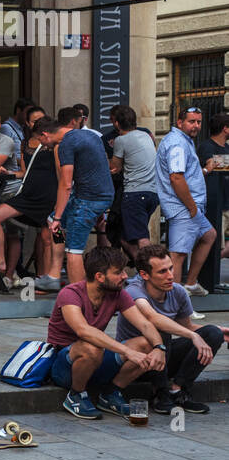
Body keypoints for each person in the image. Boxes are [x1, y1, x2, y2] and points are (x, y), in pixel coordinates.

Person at [45, 246, 167, 420]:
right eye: (118, 272)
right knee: (91, 346)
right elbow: (83, 330)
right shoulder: (70, 294)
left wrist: (159, 347)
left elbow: (145, 325)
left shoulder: (118, 294)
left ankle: (110, 393)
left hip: (98, 359)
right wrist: (126, 351)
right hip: (65, 366)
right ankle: (76, 395)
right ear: (99, 277)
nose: (125, 276)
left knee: (146, 344)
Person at [119, 245, 220, 415]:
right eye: (162, 272)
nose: (170, 276)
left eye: (171, 268)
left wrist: (219, 331)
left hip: (163, 358)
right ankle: (161, 394)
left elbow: (187, 327)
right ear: (144, 275)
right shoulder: (133, 291)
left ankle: (178, 390)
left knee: (213, 333)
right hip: (136, 363)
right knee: (161, 331)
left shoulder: (178, 291)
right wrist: (192, 335)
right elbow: (153, 318)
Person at [45, 106, 115, 287]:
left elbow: (66, 184)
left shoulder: (65, 144)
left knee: (74, 251)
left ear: (45, 135)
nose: (44, 146)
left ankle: (82, 298)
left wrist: (59, 216)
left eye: (41, 141)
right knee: (51, 220)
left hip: (88, 200)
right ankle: (54, 273)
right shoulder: (92, 136)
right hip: (102, 195)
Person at [0, 116, 60, 285]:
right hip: (28, 193)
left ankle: (43, 279)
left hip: (48, 194)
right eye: (31, 119)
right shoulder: (24, 144)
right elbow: (24, 172)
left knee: (46, 238)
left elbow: (61, 173)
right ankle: (0, 258)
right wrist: (8, 174)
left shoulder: (55, 145)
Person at [157, 106, 216, 295]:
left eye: (199, 122)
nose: (196, 126)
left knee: (209, 235)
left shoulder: (184, 140)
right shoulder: (177, 143)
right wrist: (191, 207)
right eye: (192, 121)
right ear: (180, 122)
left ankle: (190, 284)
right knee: (178, 254)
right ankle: (174, 301)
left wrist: (205, 170)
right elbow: (176, 178)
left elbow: (188, 174)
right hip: (183, 206)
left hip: (189, 206)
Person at [108, 104, 159, 254]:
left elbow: (114, 168)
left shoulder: (121, 140)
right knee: (124, 236)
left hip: (135, 194)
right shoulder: (146, 136)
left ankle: (152, 271)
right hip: (152, 194)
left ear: (116, 123)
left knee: (141, 238)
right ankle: (142, 270)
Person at [198, 111, 229, 287]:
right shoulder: (206, 147)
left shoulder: (227, 148)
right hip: (216, 203)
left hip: (227, 202)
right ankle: (207, 280)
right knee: (215, 242)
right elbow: (212, 164)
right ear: (225, 128)